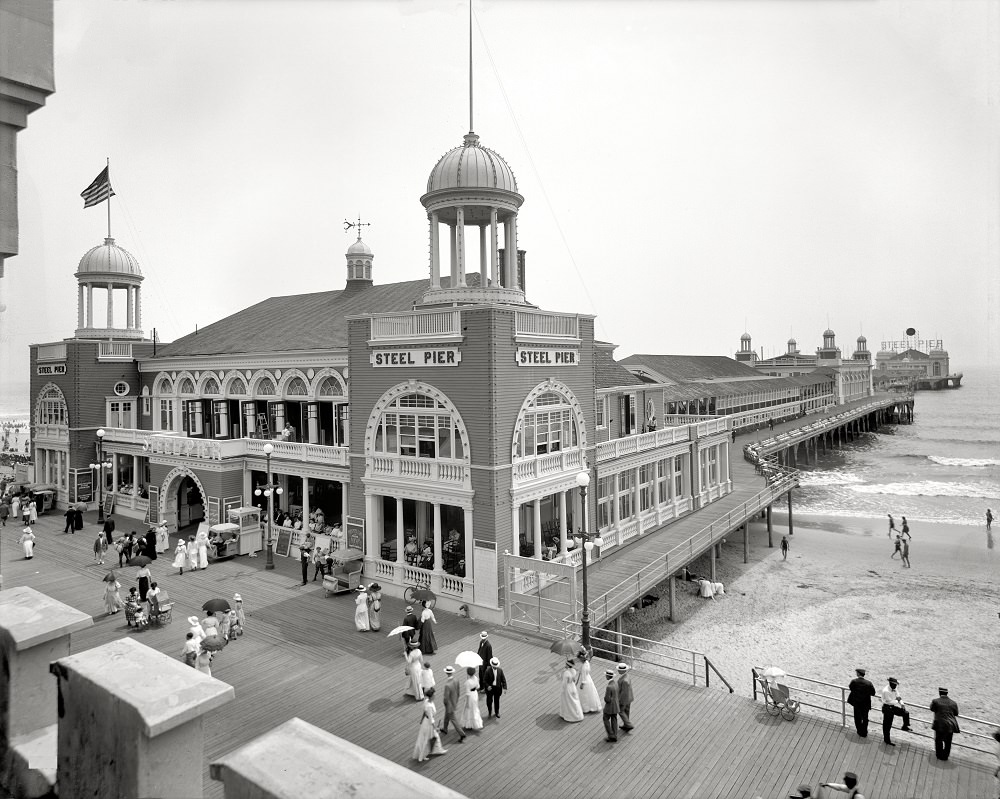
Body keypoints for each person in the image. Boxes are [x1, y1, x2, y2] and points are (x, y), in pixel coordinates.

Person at [412, 686, 447, 761]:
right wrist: (435, 728)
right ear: (431, 696)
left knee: (427, 738)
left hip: (425, 721)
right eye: (434, 695)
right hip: (428, 724)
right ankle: (425, 754)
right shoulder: (429, 706)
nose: (435, 696)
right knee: (428, 738)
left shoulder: (426, 701)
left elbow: (424, 713)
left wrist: (421, 720)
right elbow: (431, 720)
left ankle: (436, 750)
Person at [929, 687, 960, 761]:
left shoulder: (935, 701)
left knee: (938, 740)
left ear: (939, 693)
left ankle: (939, 755)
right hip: (951, 724)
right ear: (947, 693)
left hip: (940, 723)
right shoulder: (953, 703)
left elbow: (932, 708)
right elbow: (956, 713)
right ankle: (945, 756)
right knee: (948, 741)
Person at [438, 666, 466, 743]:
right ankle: (445, 728)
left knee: (453, 719)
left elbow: (446, 698)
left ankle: (461, 733)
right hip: (454, 702)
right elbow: (458, 692)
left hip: (449, 705)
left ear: (447, 673)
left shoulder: (447, 685)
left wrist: (445, 703)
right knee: (446, 716)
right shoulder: (456, 680)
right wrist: (455, 701)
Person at [880, 676, 911, 745]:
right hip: (887, 708)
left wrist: (902, 704)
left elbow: (898, 696)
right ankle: (887, 740)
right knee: (887, 725)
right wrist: (897, 701)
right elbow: (889, 702)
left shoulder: (894, 688)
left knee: (906, 713)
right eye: (894, 685)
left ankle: (905, 726)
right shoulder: (886, 691)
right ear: (890, 684)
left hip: (892, 706)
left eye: (896, 685)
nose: (895, 686)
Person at [847, 668, 876, 737]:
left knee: (857, 718)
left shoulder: (854, 681)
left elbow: (851, 688)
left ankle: (859, 731)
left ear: (858, 674)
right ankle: (864, 732)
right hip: (865, 703)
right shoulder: (869, 683)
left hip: (856, 703)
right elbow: (873, 693)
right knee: (865, 718)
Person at [461, 666, 483, 731]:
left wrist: (467, 702)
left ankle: (469, 724)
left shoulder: (468, 682)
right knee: (475, 708)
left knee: (468, 710)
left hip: (470, 695)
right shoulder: (476, 678)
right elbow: (478, 686)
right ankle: (475, 723)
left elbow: (467, 693)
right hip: (475, 694)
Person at [603, 669, 620, 742]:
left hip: (610, 707)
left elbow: (607, 699)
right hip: (616, 705)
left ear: (607, 676)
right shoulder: (616, 683)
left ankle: (611, 735)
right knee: (614, 719)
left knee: (605, 719)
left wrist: (605, 698)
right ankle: (615, 735)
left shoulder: (609, 687)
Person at [617, 663, 635, 732]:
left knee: (620, 711)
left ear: (622, 671)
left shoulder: (624, 681)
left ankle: (628, 724)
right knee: (627, 711)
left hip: (624, 699)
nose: (618, 671)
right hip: (629, 697)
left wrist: (620, 700)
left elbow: (624, 692)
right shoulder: (627, 676)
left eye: (619, 670)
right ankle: (626, 724)